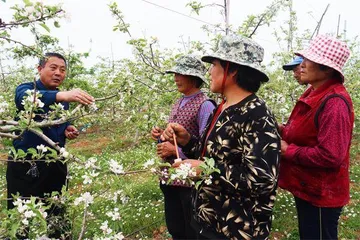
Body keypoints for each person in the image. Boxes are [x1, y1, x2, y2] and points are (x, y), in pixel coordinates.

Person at [161, 35, 281, 239]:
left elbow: (262, 180)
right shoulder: (223, 108)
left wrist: (207, 172)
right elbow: (213, 155)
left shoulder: (256, 114)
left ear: (232, 69)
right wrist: (187, 141)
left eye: (214, 65)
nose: (209, 71)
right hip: (207, 220)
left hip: (236, 229)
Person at [6, 52, 94, 238]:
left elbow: (57, 126)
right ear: (40, 69)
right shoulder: (26, 88)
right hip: (25, 164)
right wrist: (62, 95)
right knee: (20, 214)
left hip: (54, 163)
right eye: (53, 68)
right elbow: (24, 99)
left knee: (57, 212)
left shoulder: (63, 102)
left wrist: (67, 128)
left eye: (62, 70)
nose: (58, 73)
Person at [279, 35, 354, 240]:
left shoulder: (334, 102)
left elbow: (330, 155)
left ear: (326, 69)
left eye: (308, 60)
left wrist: (287, 150)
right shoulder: (313, 92)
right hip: (308, 187)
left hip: (322, 194)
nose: (301, 65)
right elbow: (304, 133)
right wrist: (278, 129)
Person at [151, 55, 216, 239]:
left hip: (190, 182)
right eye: (175, 73)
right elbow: (174, 136)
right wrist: (160, 136)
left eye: (180, 73)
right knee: (176, 227)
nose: (175, 78)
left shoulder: (205, 106)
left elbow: (207, 148)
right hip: (170, 177)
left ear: (193, 77)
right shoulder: (178, 102)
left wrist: (176, 151)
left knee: (191, 230)